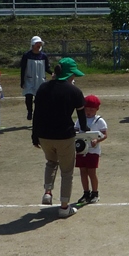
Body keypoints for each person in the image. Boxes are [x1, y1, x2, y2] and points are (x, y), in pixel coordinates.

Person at [32, 57, 89, 218]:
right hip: (64, 136)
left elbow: (37, 114)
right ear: (69, 74)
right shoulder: (74, 91)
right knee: (67, 171)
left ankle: (48, 191)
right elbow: (81, 116)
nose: (74, 78)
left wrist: (34, 135)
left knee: (51, 162)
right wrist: (84, 129)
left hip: (44, 135)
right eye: (73, 75)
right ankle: (64, 207)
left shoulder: (43, 88)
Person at [75, 94, 108, 204]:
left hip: (93, 151)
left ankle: (95, 193)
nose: (88, 111)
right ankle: (86, 192)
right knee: (83, 171)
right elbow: (75, 132)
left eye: (91, 109)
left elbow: (104, 135)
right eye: (87, 109)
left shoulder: (99, 120)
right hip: (81, 150)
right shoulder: (80, 120)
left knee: (91, 172)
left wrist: (97, 141)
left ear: (96, 109)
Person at [20, 36, 50, 121]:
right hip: (29, 79)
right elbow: (23, 68)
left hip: (40, 80)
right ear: (33, 44)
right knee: (28, 96)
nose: (39, 45)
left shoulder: (43, 56)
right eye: (37, 43)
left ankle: (37, 113)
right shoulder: (27, 55)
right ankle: (30, 111)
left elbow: (46, 68)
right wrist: (22, 80)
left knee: (39, 98)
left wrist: (52, 73)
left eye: (40, 43)